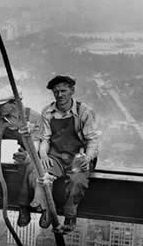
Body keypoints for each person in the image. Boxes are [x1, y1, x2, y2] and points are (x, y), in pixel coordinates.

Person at [31, 75, 100, 232]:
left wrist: (87, 158)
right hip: (56, 155)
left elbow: (92, 140)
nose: (60, 95)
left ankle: (70, 216)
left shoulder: (84, 112)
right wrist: (43, 155)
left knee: (77, 181)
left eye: (63, 91)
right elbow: (45, 138)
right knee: (42, 174)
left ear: (72, 91)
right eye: (56, 92)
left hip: (78, 156)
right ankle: (47, 210)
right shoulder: (47, 112)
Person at [0, 87, 42, 224]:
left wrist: (26, 155)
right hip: (4, 151)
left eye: (1, 105)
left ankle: (23, 205)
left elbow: (36, 146)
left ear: (14, 103)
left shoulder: (34, 117)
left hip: (26, 153)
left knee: (28, 165)